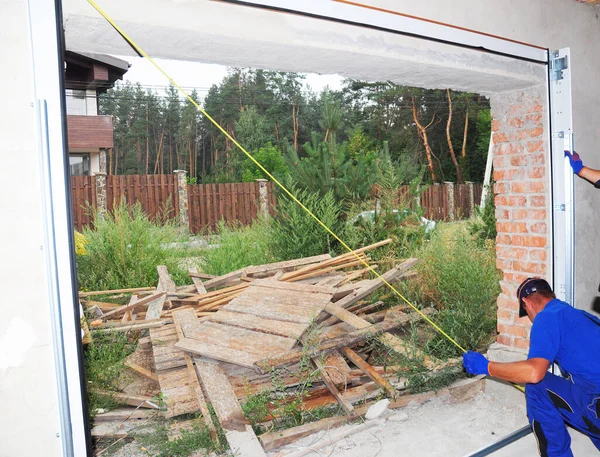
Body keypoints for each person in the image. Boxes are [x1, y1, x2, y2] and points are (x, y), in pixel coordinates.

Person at [463, 277, 600, 457]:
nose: (530, 318)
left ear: (526, 302)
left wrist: (486, 366)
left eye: (526, 312)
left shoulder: (547, 316)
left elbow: (534, 373)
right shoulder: (583, 316)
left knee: (537, 387)